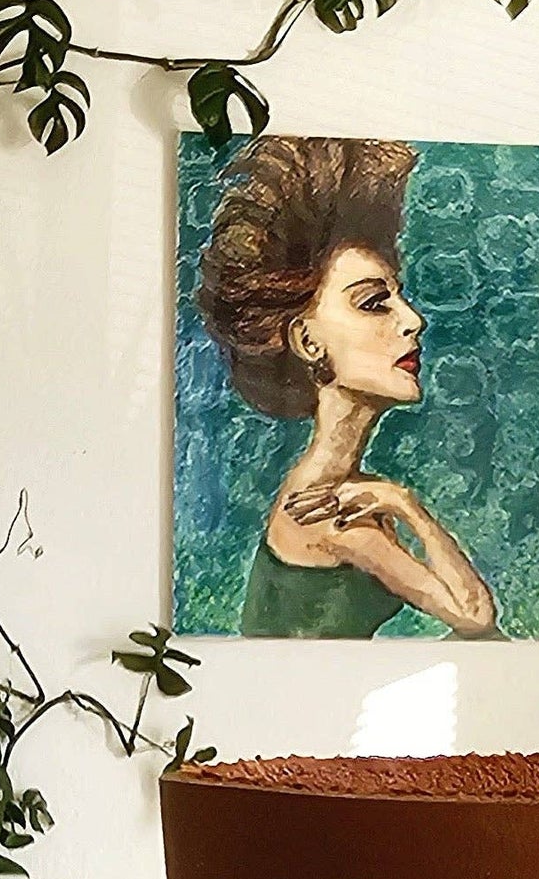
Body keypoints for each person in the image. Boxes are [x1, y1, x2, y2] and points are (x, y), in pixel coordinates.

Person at [196, 137, 499, 639]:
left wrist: (395, 501)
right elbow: (475, 616)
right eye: (374, 303)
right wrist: (406, 504)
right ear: (308, 341)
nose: (413, 320)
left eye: (399, 297)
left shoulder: (347, 491)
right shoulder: (327, 513)